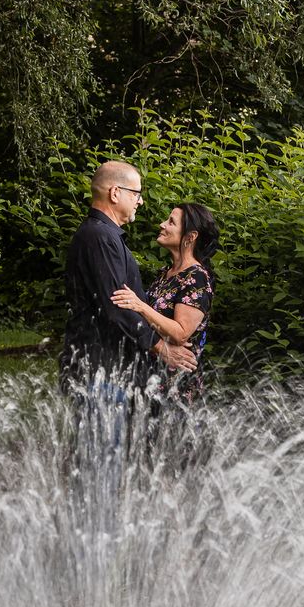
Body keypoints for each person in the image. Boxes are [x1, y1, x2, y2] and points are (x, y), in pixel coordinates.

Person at [59, 162, 195, 438]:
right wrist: (160, 347)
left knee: (107, 461)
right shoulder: (99, 237)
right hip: (98, 369)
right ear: (114, 193)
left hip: (106, 369)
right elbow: (117, 307)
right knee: (101, 465)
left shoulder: (104, 236)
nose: (140, 200)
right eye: (136, 193)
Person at [111, 202, 218, 403]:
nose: (162, 224)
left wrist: (140, 305)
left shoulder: (196, 277)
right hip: (147, 377)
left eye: (171, 222)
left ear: (191, 237)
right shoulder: (166, 274)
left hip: (174, 386)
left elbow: (180, 332)